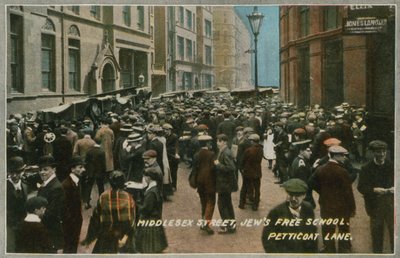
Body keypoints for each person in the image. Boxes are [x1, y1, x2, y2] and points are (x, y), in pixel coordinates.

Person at [308, 145, 356, 253]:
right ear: (336, 156)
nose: (344, 158)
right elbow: (348, 192)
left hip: (326, 204)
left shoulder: (320, 169)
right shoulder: (342, 172)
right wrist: (352, 208)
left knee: (328, 228)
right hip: (342, 206)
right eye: (342, 156)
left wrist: (322, 191)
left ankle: (329, 249)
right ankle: (344, 249)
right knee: (343, 228)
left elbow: (311, 183)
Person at [83, 171, 136, 253]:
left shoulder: (103, 196)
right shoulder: (127, 197)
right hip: (123, 236)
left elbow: (96, 215)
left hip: (107, 235)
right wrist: (126, 237)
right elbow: (132, 220)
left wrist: (91, 237)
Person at [262, 179, 317, 253]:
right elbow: (267, 240)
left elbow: (313, 236)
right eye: (291, 195)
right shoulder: (276, 212)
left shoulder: (308, 209)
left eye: (297, 195)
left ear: (304, 196)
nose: (293, 199)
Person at [358, 140, 394, 253]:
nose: (382, 154)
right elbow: (361, 187)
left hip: (391, 204)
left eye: (384, 151)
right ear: (373, 153)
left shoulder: (392, 165)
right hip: (375, 206)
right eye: (379, 152)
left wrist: (395, 188)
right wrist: (374, 190)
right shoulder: (366, 168)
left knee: (394, 232)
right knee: (377, 234)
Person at [37, 155, 66, 252]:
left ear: (54, 169)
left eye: (45, 169)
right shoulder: (46, 184)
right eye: (40, 169)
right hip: (45, 230)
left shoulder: (56, 187)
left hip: (51, 231)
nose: (42, 172)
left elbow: (52, 213)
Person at [136, 167, 168, 253]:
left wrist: (137, 204)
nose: (144, 179)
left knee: (148, 247)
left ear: (149, 178)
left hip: (150, 221)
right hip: (155, 219)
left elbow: (146, 209)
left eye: (145, 177)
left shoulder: (151, 193)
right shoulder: (154, 188)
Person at [192, 134, 216, 235]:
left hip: (199, 181)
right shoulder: (211, 154)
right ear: (208, 143)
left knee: (203, 202)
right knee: (211, 202)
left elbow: (195, 168)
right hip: (209, 182)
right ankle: (206, 223)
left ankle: (203, 221)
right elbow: (213, 168)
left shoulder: (196, 154)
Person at [61, 156, 85, 253]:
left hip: (75, 223)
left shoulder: (77, 182)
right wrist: (71, 222)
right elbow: (64, 207)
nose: (83, 169)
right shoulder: (66, 185)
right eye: (80, 167)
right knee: (69, 248)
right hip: (70, 224)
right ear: (72, 169)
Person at [215, 134, 237, 234]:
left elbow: (231, 168)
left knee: (222, 205)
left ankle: (227, 226)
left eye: (219, 141)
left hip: (225, 183)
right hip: (226, 183)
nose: (217, 143)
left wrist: (218, 164)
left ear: (224, 141)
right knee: (227, 204)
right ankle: (231, 225)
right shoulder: (224, 151)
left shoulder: (226, 152)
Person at [7, 156, 29, 252]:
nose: (15, 175)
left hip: (22, 226)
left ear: (23, 171)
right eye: (12, 172)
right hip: (10, 228)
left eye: (18, 172)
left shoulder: (25, 184)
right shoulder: (4, 187)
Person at [239, 133, 263, 211]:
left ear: (252, 141)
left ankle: (241, 204)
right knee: (257, 189)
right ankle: (255, 205)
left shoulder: (248, 150)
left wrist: (242, 167)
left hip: (248, 172)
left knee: (244, 188)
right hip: (257, 172)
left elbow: (243, 160)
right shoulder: (260, 149)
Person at [82, 138, 106, 209]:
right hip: (99, 172)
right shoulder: (102, 152)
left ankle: (86, 202)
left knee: (89, 187)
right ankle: (101, 202)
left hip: (90, 172)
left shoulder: (89, 151)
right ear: (100, 143)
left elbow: (86, 162)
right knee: (100, 187)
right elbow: (103, 164)